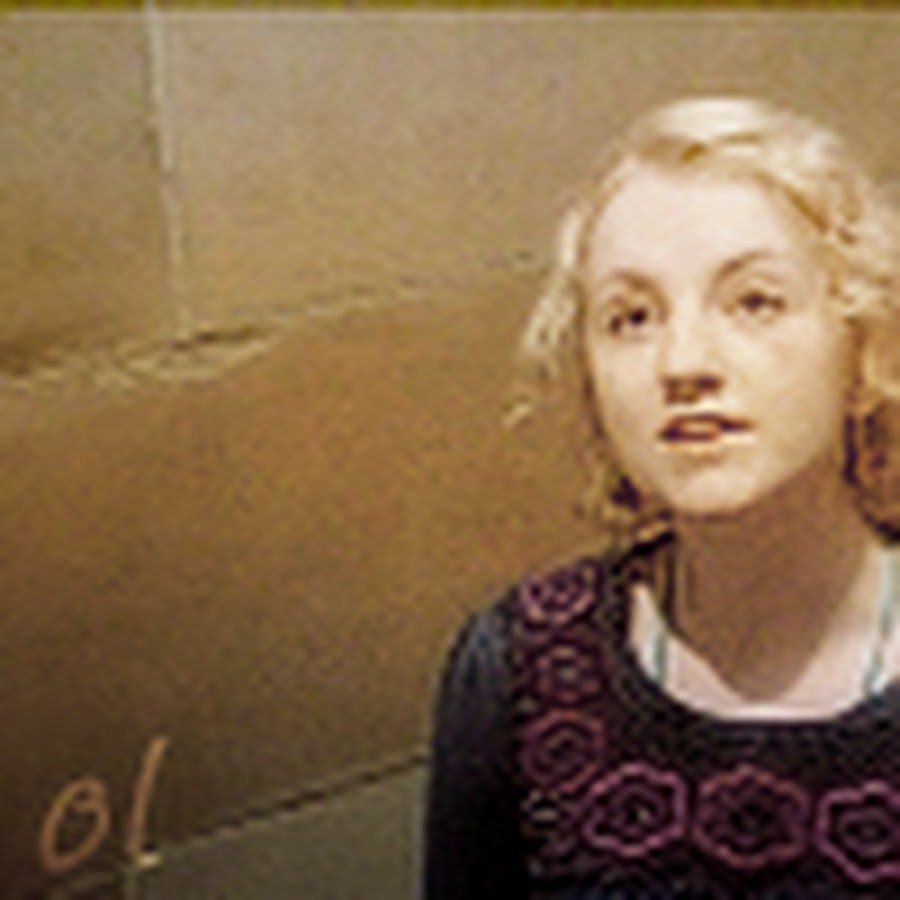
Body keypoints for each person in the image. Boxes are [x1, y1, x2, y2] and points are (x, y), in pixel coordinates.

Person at [423, 96, 900, 898]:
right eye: (632, 318)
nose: (683, 364)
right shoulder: (522, 668)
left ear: (863, 345)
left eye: (754, 302)